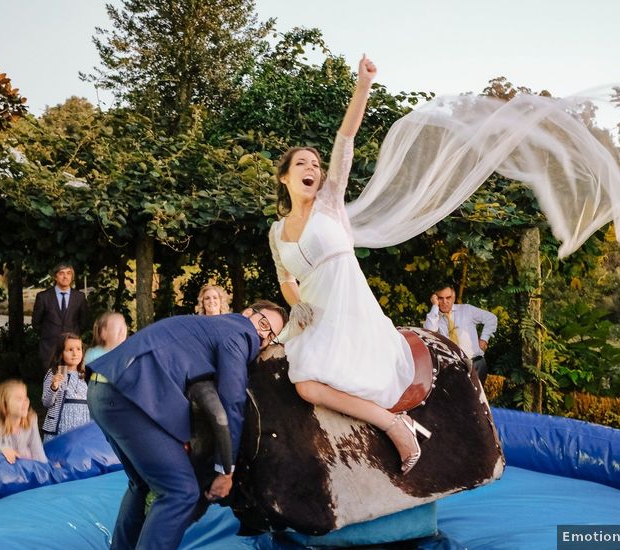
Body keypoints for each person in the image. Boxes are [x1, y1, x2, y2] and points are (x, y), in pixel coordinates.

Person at [268, 55, 426, 475]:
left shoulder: (329, 202)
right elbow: (286, 279)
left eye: (315, 165)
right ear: (284, 176)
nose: (312, 169)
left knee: (307, 383)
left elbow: (345, 139)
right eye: (302, 163)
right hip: (313, 316)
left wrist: (362, 87)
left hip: (349, 308)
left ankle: (395, 425)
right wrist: (295, 303)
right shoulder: (276, 230)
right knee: (297, 383)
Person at [87, 300, 287, 550]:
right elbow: (231, 403)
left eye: (272, 336)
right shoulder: (240, 332)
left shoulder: (208, 328)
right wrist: (226, 470)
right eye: (264, 323)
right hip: (126, 395)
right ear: (248, 313)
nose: (262, 335)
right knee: (180, 492)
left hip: (101, 389)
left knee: (141, 485)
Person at [424, 283, 498, 384]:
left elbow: (491, 318)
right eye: (440, 298)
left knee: (477, 398)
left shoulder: (467, 310)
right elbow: (429, 331)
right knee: (458, 398)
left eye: (448, 297)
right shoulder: (434, 317)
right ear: (435, 298)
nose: (445, 302)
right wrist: (435, 306)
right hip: (453, 366)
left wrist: (484, 339)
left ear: (453, 297)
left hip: (476, 364)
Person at [32, 263, 89, 373]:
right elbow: (36, 323)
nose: (65, 276)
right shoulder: (43, 297)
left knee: (69, 382)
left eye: (69, 273)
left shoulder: (79, 297)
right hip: (49, 347)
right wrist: (48, 334)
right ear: (55, 276)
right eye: (61, 273)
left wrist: (73, 336)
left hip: (71, 349)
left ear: (72, 276)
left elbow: (84, 322)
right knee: (51, 382)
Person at [0, 379, 46, 464]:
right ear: (4, 405)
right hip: (4, 465)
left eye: (26, 397)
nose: (25, 401)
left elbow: (36, 446)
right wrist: (3, 449)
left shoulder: (31, 419)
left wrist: (45, 468)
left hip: (24, 460)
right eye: (19, 399)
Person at [42, 333, 90, 442]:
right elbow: (46, 403)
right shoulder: (55, 373)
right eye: (70, 350)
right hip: (59, 428)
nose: (75, 353)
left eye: (78, 349)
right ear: (61, 353)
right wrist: (54, 387)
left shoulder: (86, 375)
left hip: (82, 427)